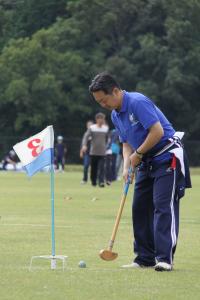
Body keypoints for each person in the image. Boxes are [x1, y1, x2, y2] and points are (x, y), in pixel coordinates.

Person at [89, 72, 191, 272]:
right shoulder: (115, 114)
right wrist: (127, 165)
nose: (103, 105)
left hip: (166, 157)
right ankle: (144, 257)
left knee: (162, 206)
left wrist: (139, 153)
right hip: (144, 160)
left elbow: (157, 132)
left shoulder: (137, 102)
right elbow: (126, 143)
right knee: (139, 208)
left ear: (116, 91)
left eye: (104, 100)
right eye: (99, 102)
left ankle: (164, 258)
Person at [81, 112, 109, 187]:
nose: (101, 120)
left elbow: (107, 139)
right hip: (93, 152)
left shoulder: (105, 128)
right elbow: (86, 137)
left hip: (102, 152)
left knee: (102, 167)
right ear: (97, 119)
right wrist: (84, 145)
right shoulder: (92, 128)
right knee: (94, 168)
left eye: (103, 119)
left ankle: (101, 182)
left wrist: (106, 146)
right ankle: (93, 181)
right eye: (100, 119)